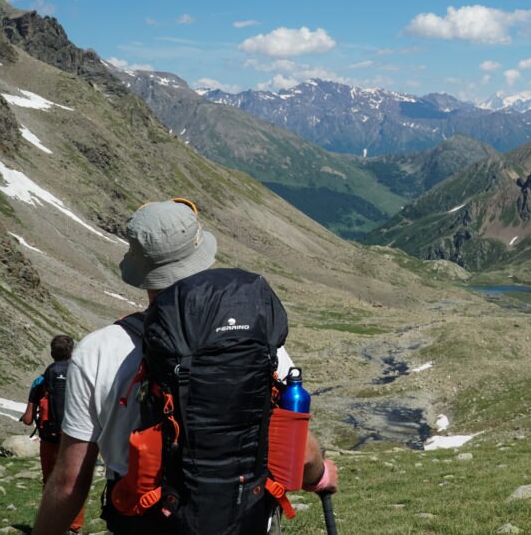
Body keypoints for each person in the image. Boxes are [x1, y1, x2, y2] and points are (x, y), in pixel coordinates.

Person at [32, 198, 337, 535]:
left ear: (140, 269)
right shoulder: (251, 338)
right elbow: (301, 451)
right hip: (245, 520)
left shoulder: (97, 351)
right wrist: (320, 474)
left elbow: (69, 483)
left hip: (147, 522)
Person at [21, 334, 86, 534]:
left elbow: (28, 419)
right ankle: (74, 527)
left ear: (51, 353)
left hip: (49, 438)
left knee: (50, 481)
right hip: (74, 437)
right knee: (75, 481)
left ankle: (51, 525)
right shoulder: (81, 375)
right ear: (72, 352)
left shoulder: (41, 379)